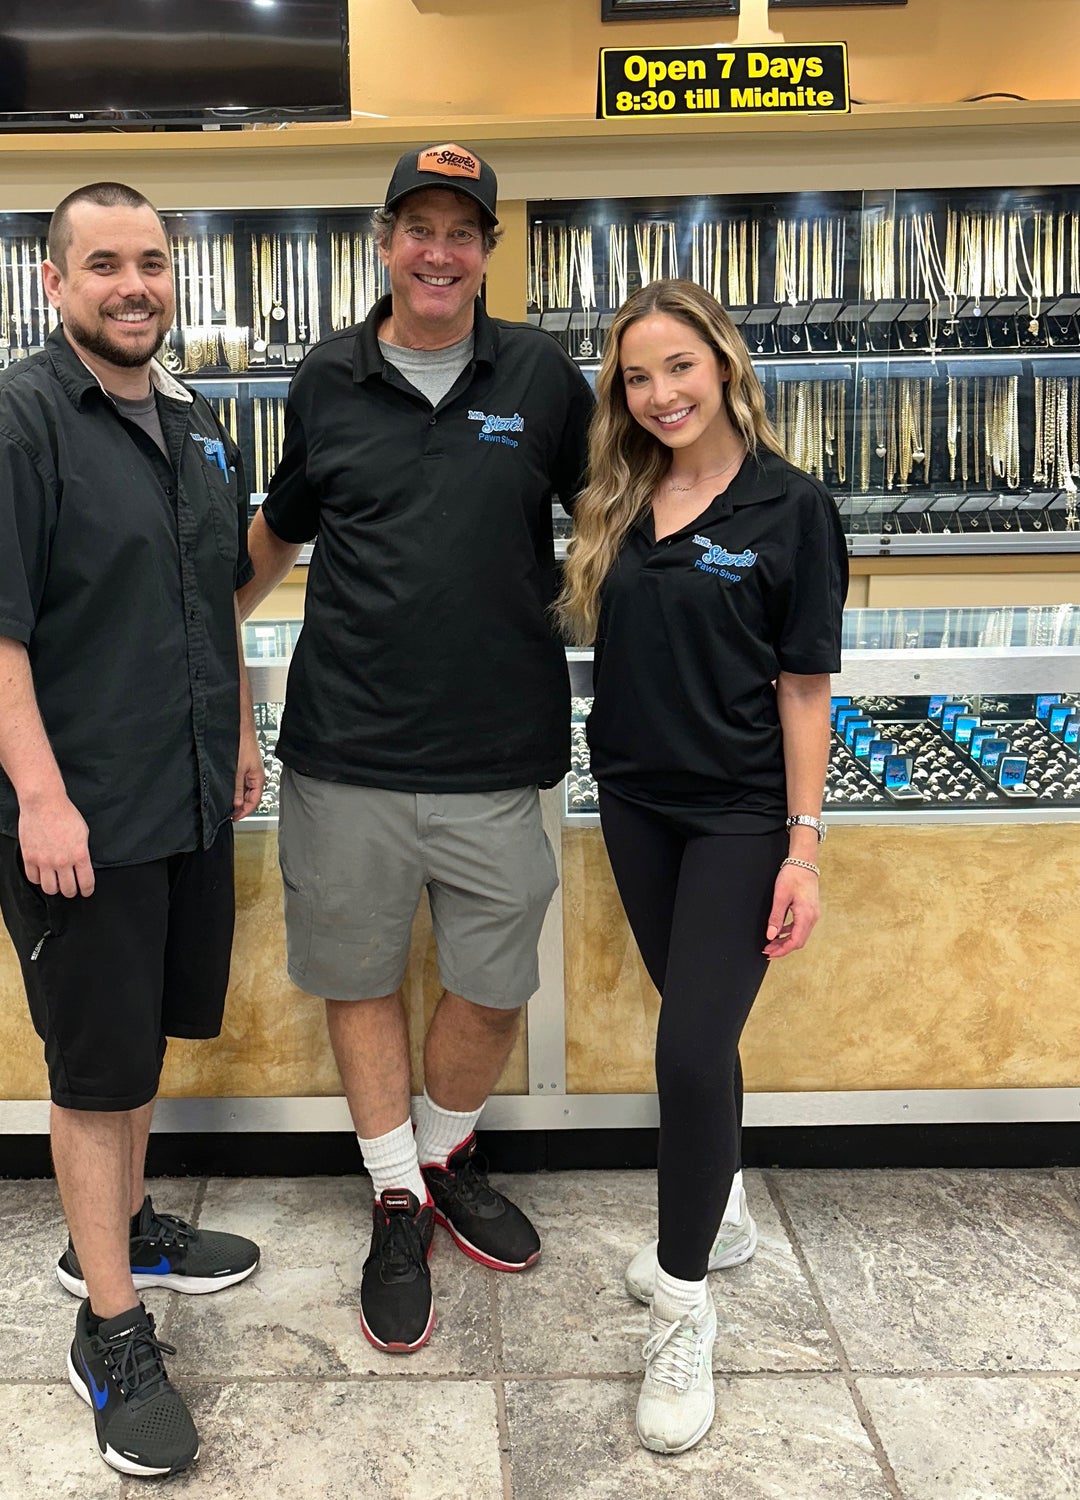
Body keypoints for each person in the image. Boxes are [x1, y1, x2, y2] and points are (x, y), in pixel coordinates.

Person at [0, 181, 264, 1480]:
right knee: (92, 1069)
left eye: (153, 263)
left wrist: (236, 728)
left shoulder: (193, 421)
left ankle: (116, 1224)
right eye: (103, 264)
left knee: (140, 1043)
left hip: (178, 796)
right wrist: (44, 796)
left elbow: (217, 591)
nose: (134, 286)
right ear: (56, 284)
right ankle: (109, 1323)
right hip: (80, 814)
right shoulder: (15, 426)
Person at [238, 144, 595, 1353]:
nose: (438, 252)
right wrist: (188, 641)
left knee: (494, 986)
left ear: (488, 251)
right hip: (346, 752)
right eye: (418, 228)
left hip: (500, 756)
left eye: (462, 231)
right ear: (385, 241)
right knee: (360, 978)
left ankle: (440, 1151)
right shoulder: (325, 379)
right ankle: (396, 1192)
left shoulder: (543, 376)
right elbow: (280, 530)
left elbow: (619, 519)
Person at [557, 279, 846, 1455]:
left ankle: (685, 1309)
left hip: (738, 818)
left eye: (680, 366)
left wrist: (804, 848)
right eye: (637, 376)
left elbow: (804, 688)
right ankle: (719, 1215)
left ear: (723, 365)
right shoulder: (621, 500)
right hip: (634, 801)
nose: (661, 393)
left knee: (683, 1050)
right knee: (698, 1028)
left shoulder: (791, 508)